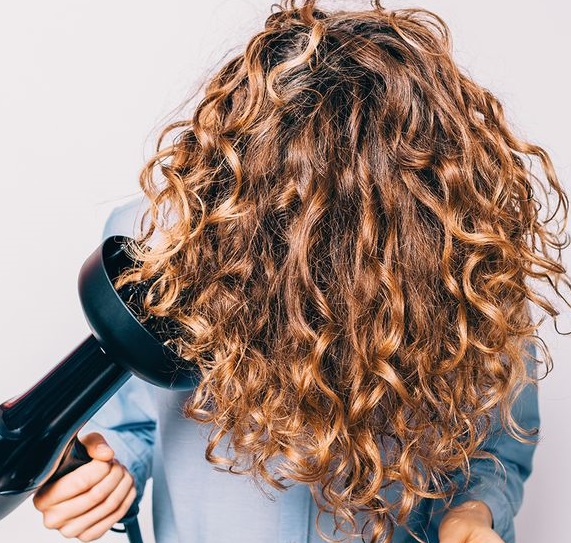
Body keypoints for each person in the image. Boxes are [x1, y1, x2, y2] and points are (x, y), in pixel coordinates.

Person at [32, 1, 568, 542]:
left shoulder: (470, 266)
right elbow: (133, 423)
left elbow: (497, 448)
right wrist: (104, 479)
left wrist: (474, 512)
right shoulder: (156, 247)